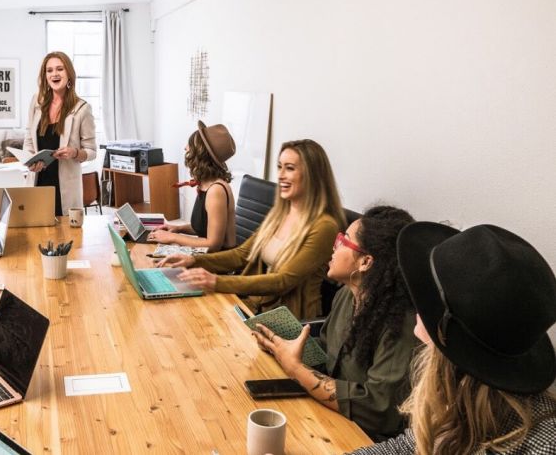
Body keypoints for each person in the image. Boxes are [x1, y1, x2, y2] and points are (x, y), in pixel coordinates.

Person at [350, 223, 556, 454]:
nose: (416, 302)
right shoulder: (452, 388)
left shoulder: (543, 446)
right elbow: (405, 446)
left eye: (425, 293)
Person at [253, 205, 419, 441]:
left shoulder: (401, 324)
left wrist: (297, 369)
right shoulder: (347, 295)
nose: (335, 243)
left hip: (367, 439)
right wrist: (282, 347)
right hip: (328, 419)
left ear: (365, 262)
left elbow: (378, 409)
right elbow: (325, 356)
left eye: (344, 240)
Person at [159, 139, 345, 319]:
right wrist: (193, 260)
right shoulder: (280, 213)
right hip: (257, 306)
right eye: (279, 167)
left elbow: (283, 281)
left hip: (289, 320)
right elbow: (242, 254)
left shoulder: (324, 227)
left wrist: (216, 281)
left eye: (290, 168)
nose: (280, 175)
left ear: (312, 175)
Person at [24, 51, 97, 216]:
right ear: (45, 76)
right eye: (49, 70)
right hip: (37, 183)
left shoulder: (82, 108)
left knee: (64, 237)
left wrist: (75, 152)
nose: (54, 74)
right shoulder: (36, 102)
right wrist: (30, 161)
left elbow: (92, 151)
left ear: (69, 73)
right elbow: (29, 141)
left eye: (59, 69)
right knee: (36, 236)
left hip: (65, 188)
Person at [147, 121, 237, 252]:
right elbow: (204, 228)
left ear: (200, 153)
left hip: (221, 263)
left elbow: (213, 244)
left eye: (189, 145)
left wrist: (172, 237)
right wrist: (177, 229)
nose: (185, 148)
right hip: (207, 256)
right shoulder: (205, 184)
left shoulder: (216, 190)